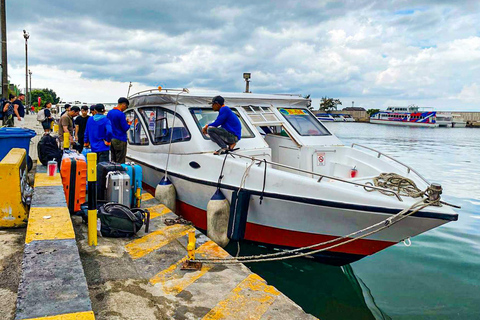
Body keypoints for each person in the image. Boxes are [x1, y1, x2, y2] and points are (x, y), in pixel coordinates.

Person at [107, 97, 130, 163]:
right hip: (120, 139)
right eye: (126, 107)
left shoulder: (109, 113)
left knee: (113, 160)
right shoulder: (121, 114)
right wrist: (129, 123)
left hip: (112, 139)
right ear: (124, 104)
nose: (125, 109)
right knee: (120, 161)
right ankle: (119, 173)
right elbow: (125, 128)